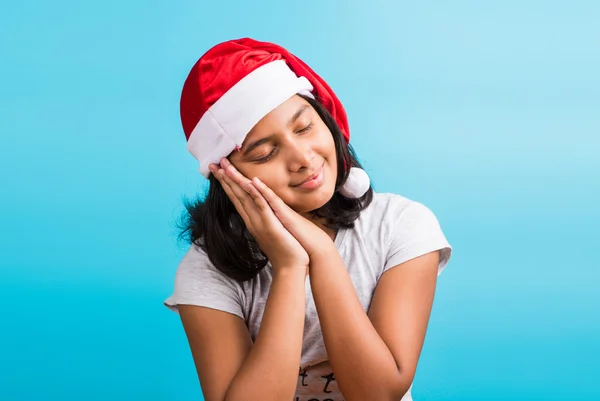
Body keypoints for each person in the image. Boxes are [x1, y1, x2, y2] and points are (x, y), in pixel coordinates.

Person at [164, 38, 452, 401]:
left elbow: (378, 394)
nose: (302, 158)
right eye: (266, 153)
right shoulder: (206, 269)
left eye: (304, 128)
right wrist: (289, 267)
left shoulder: (401, 225)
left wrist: (323, 254)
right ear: (227, 177)